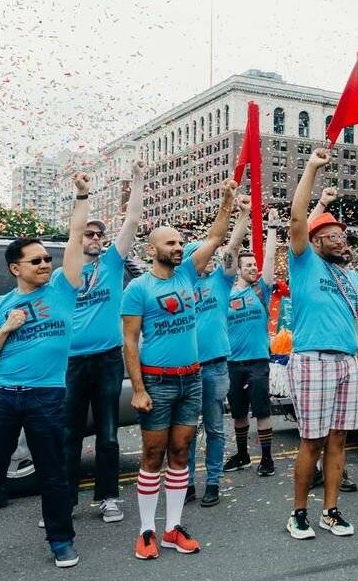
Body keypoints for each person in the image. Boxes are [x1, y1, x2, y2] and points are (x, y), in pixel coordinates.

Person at [121, 179, 236, 560]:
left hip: (192, 378)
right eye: (170, 243)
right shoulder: (137, 289)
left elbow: (217, 237)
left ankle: (171, 528)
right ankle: (146, 532)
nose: (178, 247)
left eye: (179, 242)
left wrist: (225, 203)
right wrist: (138, 389)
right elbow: (130, 342)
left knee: (182, 453)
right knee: (152, 457)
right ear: (151, 249)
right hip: (156, 381)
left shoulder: (188, 273)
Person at [0, 172, 89, 568]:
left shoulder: (63, 288)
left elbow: (75, 237)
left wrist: (82, 196)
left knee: (53, 472)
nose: (45, 264)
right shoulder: (1, 304)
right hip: (2, 396)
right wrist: (6, 328)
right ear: (16, 268)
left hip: (47, 397)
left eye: (47, 258)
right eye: (36, 260)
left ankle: (61, 541)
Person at [284, 148, 358, 539]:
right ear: (315, 241)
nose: (338, 239)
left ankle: (330, 511)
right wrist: (314, 168)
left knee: (338, 440)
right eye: (329, 235)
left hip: (347, 363)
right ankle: (299, 513)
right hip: (312, 359)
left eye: (341, 235)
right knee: (311, 440)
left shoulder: (355, 279)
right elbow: (298, 217)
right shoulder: (304, 262)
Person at [62, 159, 144, 525]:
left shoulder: (111, 264)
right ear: (79, 238)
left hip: (109, 359)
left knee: (109, 434)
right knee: (69, 435)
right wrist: (82, 196)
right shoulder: (65, 272)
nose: (95, 238)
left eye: (100, 234)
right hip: (71, 362)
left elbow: (132, 222)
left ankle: (108, 497)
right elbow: (75, 227)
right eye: (89, 234)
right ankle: (63, 502)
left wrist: (139, 180)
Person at [184, 197, 250, 508]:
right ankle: (185, 483)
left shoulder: (220, 282)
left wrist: (243, 216)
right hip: (184, 369)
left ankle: (212, 482)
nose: (209, 257)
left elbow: (231, 247)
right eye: (202, 253)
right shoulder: (180, 284)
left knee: (212, 428)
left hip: (214, 367)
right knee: (183, 431)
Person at [222, 209, 279, 480]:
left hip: (257, 361)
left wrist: (272, 227)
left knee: (262, 412)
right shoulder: (226, 294)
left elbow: (269, 257)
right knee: (239, 414)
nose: (254, 268)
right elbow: (228, 257)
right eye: (248, 266)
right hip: (232, 364)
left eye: (255, 266)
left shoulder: (261, 290)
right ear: (238, 271)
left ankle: (267, 458)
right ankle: (243, 454)